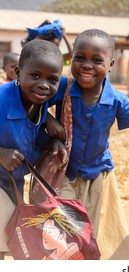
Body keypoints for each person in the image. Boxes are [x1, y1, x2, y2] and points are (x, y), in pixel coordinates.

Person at [46, 29, 129, 260]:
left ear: (110, 64)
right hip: (63, 172)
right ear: (71, 59)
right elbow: (35, 105)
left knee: (93, 230)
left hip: (97, 177)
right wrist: (50, 120)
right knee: (63, 228)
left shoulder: (118, 100)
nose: (87, 65)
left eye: (97, 60)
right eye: (80, 58)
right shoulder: (62, 88)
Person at [0, 39, 67, 260]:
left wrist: (53, 142)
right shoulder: (2, 100)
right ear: (18, 73)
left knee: (9, 238)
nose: (44, 85)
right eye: (35, 76)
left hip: (12, 184)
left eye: (52, 79)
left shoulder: (38, 102)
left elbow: (31, 138)